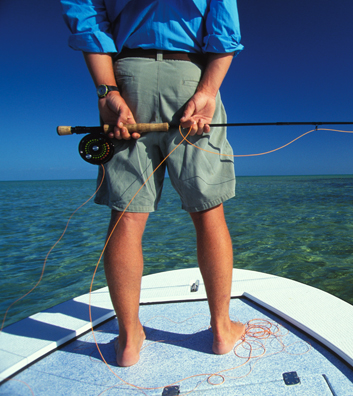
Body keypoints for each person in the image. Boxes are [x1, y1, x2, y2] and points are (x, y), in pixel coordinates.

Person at [60, 0, 245, 367]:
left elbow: (87, 19)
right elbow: (225, 32)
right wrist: (206, 93)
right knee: (209, 211)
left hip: (127, 78)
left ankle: (129, 340)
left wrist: (107, 93)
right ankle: (222, 331)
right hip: (191, 76)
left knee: (126, 216)